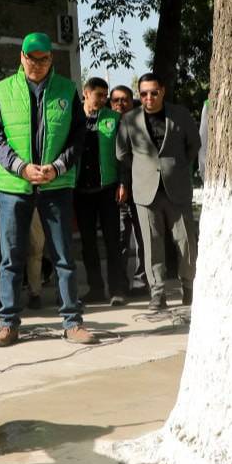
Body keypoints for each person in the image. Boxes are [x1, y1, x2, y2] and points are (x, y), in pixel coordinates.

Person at [0, 32, 97, 346]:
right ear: (21, 57)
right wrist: (20, 166)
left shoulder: (67, 89)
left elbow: (78, 136)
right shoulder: (2, 91)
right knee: (11, 258)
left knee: (63, 255)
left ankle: (73, 322)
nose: (36, 64)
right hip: (13, 185)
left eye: (43, 58)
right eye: (31, 58)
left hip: (55, 183)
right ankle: (8, 324)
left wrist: (58, 166)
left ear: (52, 59)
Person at [115, 73, 200, 310]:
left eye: (153, 92)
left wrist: (177, 166)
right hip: (145, 191)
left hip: (177, 188)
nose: (149, 98)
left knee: (186, 241)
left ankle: (189, 287)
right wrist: (143, 169)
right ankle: (157, 293)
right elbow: (122, 153)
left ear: (162, 90)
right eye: (143, 94)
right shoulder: (129, 119)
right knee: (152, 243)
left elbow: (194, 144)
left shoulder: (180, 114)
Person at [73, 77, 127, 306]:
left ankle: (117, 289)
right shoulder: (73, 117)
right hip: (81, 191)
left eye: (106, 95)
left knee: (113, 241)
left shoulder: (114, 118)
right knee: (88, 244)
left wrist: (123, 183)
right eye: (99, 95)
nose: (104, 99)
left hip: (107, 190)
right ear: (86, 93)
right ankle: (95, 289)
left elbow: (123, 155)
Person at [110, 84, 148, 295]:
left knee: (143, 239)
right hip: (115, 192)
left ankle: (141, 282)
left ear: (132, 101)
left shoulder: (140, 123)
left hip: (140, 189)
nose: (120, 104)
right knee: (120, 240)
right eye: (116, 100)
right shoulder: (108, 124)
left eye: (125, 99)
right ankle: (120, 286)